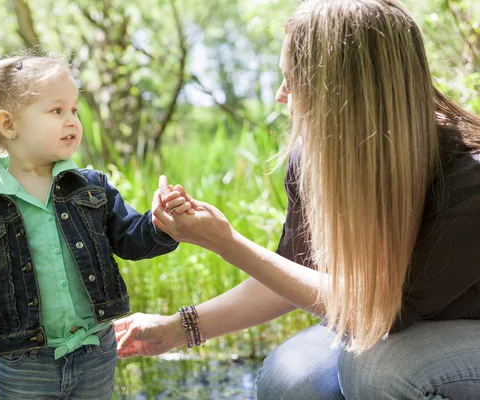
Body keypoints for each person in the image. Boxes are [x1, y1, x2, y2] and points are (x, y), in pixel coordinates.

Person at [115, 0, 480, 398]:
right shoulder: (319, 158)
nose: (278, 96)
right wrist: (178, 329)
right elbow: (292, 272)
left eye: (291, 80)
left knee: (382, 371)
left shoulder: (470, 175)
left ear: (345, 92)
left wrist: (224, 242)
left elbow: (377, 312)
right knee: (292, 379)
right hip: (405, 323)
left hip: (451, 329)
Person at [0, 54, 193, 400]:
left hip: (94, 351)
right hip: (23, 364)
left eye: (74, 110)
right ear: (9, 125)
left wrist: (162, 222)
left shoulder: (91, 187)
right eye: (56, 111)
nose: (72, 119)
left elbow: (131, 237)